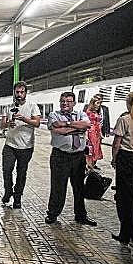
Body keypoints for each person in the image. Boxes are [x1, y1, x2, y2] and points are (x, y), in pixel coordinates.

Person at [45, 91, 96, 226]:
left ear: (74, 103)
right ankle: (52, 214)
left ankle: (81, 215)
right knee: (58, 187)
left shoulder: (81, 114)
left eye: (68, 101)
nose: (65, 103)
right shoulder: (54, 115)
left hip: (78, 157)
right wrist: (77, 128)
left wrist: (66, 123)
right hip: (60, 156)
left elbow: (87, 125)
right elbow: (57, 130)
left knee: (79, 187)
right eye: (62, 101)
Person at [0, 81, 41, 209]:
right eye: (17, 92)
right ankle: (8, 191)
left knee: (21, 173)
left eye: (22, 92)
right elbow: (2, 125)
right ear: (14, 93)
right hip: (10, 145)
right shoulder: (8, 107)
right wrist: (8, 124)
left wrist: (24, 119)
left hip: (26, 146)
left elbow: (37, 123)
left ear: (25, 93)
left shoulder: (32, 106)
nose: (19, 94)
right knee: (7, 170)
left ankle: (17, 197)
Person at [110, 91, 133, 245]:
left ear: (129, 104)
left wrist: (114, 159)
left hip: (125, 159)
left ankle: (124, 234)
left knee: (124, 197)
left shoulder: (125, 119)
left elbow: (116, 143)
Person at [84, 97, 104, 170]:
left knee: (95, 149)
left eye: (100, 103)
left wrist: (100, 133)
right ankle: (88, 165)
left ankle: (92, 165)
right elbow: (86, 124)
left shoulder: (96, 112)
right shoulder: (88, 112)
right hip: (91, 132)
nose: (99, 105)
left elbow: (98, 123)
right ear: (92, 103)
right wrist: (86, 135)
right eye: (97, 103)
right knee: (90, 149)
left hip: (96, 133)